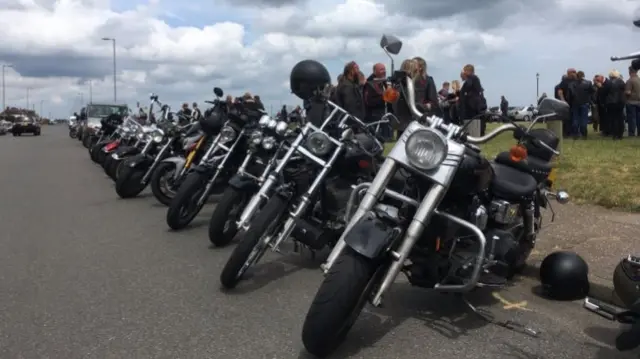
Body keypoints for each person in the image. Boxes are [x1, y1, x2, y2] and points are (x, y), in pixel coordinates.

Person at [363, 63, 392, 140]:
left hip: (384, 116)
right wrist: (384, 97)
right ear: (375, 71)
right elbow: (369, 102)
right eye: (381, 69)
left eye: (384, 69)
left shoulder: (384, 82)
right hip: (374, 118)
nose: (384, 71)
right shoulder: (369, 84)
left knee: (386, 140)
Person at [392, 59, 420, 138]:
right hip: (409, 122)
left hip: (402, 123)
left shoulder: (397, 85)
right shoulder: (407, 86)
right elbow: (411, 104)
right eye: (415, 70)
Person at [459, 64, 487, 135]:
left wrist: (465, 76)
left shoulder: (473, 78)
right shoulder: (471, 80)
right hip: (469, 110)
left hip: (472, 110)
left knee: (473, 132)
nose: (463, 73)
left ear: (468, 71)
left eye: (465, 71)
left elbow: (469, 87)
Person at [600, 70, 626, 140]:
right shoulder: (622, 82)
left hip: (611, 103)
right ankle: (620, 134)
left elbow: (604, 93)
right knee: (620, 118)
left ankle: (615, 134)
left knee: (613, 119)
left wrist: (603, 102)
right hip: (621, 102)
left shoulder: (609, 83)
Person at [568, 71, 594, 138]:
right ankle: (584, 134)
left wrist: (570, 102)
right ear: (583, 75)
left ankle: (575, 133)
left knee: (575, 119)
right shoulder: (588, 83)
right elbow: (592, 92)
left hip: (575, 103)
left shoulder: (572, 84)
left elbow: (569, 95)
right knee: (584, 119)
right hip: (585, 103)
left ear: (577, 76)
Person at [625, 66, 640, 136]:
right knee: (639, 118)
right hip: (639, 102)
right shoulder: (639, 79)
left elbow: (628, 92)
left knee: (632, 119)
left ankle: (632, 133)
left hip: (631, 102)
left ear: (630, 72)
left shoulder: (630, 81)